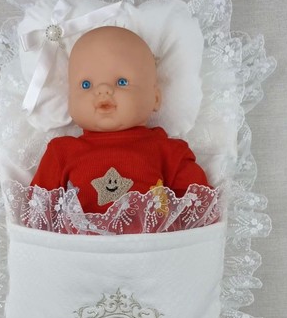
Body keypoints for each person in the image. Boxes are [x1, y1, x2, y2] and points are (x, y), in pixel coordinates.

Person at [30, 26, 209, 214]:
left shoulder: (169, 152)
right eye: (86, 84)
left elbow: (199, 207)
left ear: (155, 98)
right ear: (70, 101)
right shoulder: (60, 153)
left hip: (150, 233)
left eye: (122, 82)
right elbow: (37, 213)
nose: (103, 90)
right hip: (79, 234)